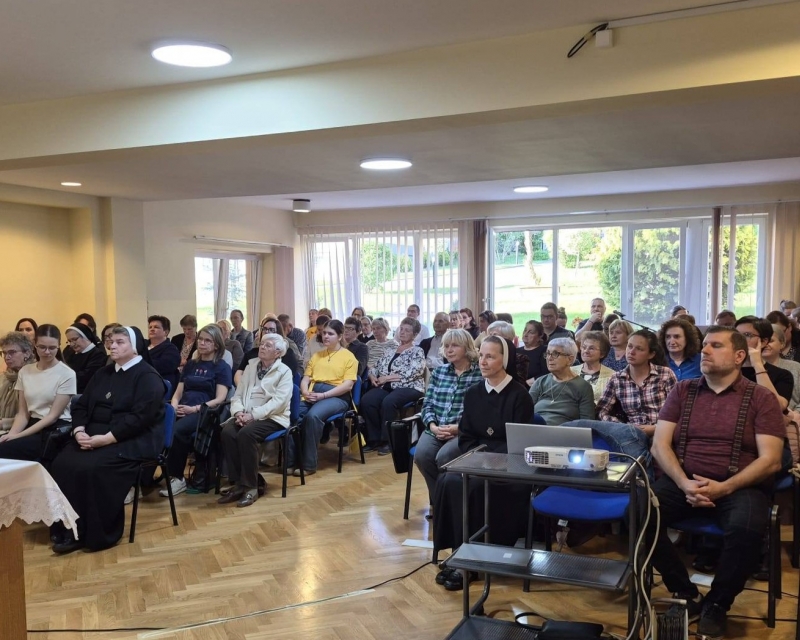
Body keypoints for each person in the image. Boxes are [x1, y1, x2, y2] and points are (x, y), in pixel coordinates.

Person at [647, 326, 785, 639]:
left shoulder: (761, 398)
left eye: (716, 346)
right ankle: (686, 593)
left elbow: (771, 460)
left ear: (739, 356)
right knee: (640, 514)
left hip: (740, 486)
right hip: (686, 481)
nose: (705, 351)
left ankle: (718, 603)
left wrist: (725, 487)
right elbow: (660, 445)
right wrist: (683, 483)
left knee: (746, 528)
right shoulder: (683, 390)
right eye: (705, 345)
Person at [49, 326, 166, 553]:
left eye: (120, 342)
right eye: (110, 342)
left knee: (92, 468)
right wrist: (79, 430)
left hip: (130, 439)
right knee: (61, 464)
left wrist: (107, 439)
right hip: (93, 435)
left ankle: (95, 534)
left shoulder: (148, 377)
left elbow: (140, 419)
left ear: (134, 346)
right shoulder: (103, 373)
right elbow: (80, 405)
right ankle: (68, 529)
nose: (112, 346)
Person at [432, 336, 535, 590]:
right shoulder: (474, 393)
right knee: (448, 480)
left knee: (475, 487)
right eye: (482, 355)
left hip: (509, 466)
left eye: (491, 356)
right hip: (478, 458)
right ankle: (458, 551)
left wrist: (491, 459)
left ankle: (475, 559)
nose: (483, 361)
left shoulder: (519, 395)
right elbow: (466, 435)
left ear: (505, 360)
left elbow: (519, 443)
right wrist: (476, 456)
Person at [564, 329, 676, 469]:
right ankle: (638, 481)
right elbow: (601, 412)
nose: (631, 352)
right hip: (631, 431)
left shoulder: (665, 374)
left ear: (651, 354)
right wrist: (622, 426)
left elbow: (678, 412)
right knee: (585, 426)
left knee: (654, 444)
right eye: (629, 346)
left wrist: (655, 428)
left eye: (639, 349)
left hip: (662, 430)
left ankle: (642, 482)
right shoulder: (617, 378)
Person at [219, 333, 293, 507]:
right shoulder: (252, 366)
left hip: (273, 417)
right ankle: (239, 483)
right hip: (246, 413)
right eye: (262, 344)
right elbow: (238, 394)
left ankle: (251, 487)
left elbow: (278, 402)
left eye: (268, 345)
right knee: (228, 432)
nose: (262, 347)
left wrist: (253, 415)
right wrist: (238, 413)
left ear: (277, 353)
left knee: (246, 434)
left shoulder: (285, 372)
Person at [414, 329, 482, 509]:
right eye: (446, 346)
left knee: (444, 457)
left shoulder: (480, 375)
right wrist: (433, 426)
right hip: (436, 428)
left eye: (455, 345)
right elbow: (427, 404)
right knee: (422, 456)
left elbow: (482, 412)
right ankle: (442, 505)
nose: (449, 349)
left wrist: (458, 428)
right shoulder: (439, 372)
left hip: (463, 431)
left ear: (467, 348)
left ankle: (448, 505)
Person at [162, 324, 233, 496]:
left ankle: (177, 478)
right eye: (200, 339)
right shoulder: (191, 365)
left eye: (207, 340)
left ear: (216, 345)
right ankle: (144, 479)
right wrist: (173, 407)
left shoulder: (221, 367)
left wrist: (193, 409)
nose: (201, 343)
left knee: (177, 431)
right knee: (157, 426)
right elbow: (178, 392)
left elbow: (220, 398)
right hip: (182, 409)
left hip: (204, 413)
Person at [286, 320, 358, 476]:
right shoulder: (317, 355)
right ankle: (291, 461)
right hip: (314, 393)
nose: (326, 336)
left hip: (337, 396)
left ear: (339, 336)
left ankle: (308, 464)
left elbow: (347, 386)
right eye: (324, 333)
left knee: (313, 417)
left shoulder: (349, 357)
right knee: (291, 414)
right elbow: (305, 378)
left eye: (330, 334)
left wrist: (323, 395)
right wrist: (305, 392)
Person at [0, 325, 76, 461]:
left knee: (5, 450)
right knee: (5, 444)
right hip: (31, 425)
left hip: (53, 430)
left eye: (52, 348)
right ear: (35, 345)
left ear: (59, 346)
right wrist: (11, 435)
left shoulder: (67, 374)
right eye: (42, 347)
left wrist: (16, 437)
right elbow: (23, 413)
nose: (47, 352)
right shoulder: (25, 371)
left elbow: (52, 417)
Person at [362, 317, 426, 454]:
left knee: (389, 402)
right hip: (387, 386)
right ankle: (374, 439)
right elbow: (376, 366)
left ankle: (388, 441)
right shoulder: (391, 350)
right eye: (401, 329)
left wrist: (387, 378)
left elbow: (413, 372)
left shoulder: (417, 351)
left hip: (410, 386)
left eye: (407, 330)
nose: (402, 332)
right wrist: (372, 375)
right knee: (368, 401)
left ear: (414, 335)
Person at [529, 337, 595, 425]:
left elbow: (587, 422)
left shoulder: (583, 387)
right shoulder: (540, 381)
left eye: (555, 354)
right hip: (535, 429)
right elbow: (524, 410)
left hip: (564, 433)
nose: (549, 358)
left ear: (570, 359)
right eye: (548, 353)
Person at [734, 316, 793, 411]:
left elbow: (778, 406)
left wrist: (757, 365)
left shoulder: (782, 375)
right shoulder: (725, 370)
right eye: (736, 335)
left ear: (764, 341)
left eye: (747, 335)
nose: (739, 340)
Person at [238, 316, 301, 382]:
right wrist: (243, 387)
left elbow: (286, 378)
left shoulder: (287, 354)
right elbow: (239, 373)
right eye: (264, 329)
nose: (267, 332)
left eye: (271, 329)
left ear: (278, 333)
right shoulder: (251, 354)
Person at [0, 332, 37, 435]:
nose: (7, 357)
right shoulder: (4, 377)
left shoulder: (35, 377)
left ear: (27, 353)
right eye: (4, 353)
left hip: (23, 431)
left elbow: (32, 417)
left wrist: (3, 423)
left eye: (12, 352)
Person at [571, 330, 614, 402]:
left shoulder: (612, 376)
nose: (586, 351)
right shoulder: (570, 371)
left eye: (591, 348)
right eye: (584, 347)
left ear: (602, 354)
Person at [64, 323, 108, 393]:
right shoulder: (70, 353)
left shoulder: (98, 355)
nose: (72, 344)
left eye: (74, 339)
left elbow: (86, 378)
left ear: (85, 336)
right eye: (69, 341)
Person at [147, 315, 181, 396]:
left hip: (159, 384)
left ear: (165, 332)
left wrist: (142, 362)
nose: (152, 329)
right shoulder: (142, 346)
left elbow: (163, 365)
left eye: (156, 327)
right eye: (150, 327)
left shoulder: (171, 349)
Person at [518, 319, 547, 385]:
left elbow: (546, 373)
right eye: (525, 330)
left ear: (540, 336)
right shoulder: (516, 351)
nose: (525, 334)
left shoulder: (544, 350)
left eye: (531, 332)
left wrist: (527, 383)